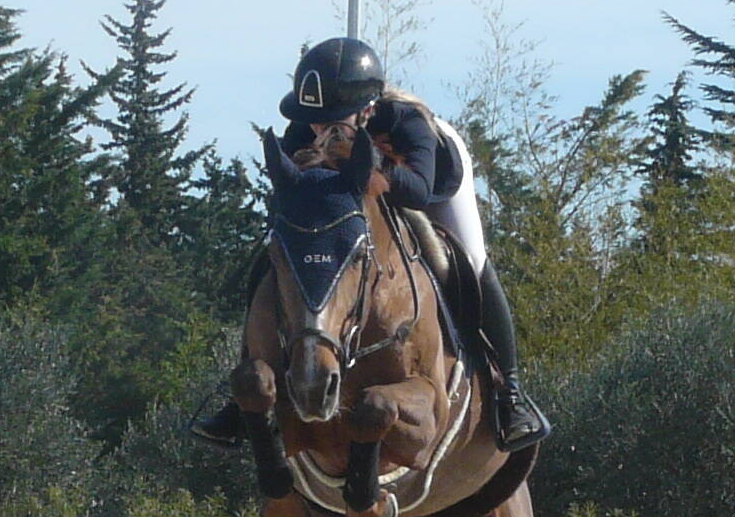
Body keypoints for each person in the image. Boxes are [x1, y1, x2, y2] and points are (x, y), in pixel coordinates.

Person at [193, 36, 549, 453]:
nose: (319, 129)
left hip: (430, 189)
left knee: (470, 260)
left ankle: (509, 395)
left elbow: (418, 189)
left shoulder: (406, 123)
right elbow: (290, 196)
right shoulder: (303, 129)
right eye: (314, 120)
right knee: (275, 252)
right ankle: (239, 404)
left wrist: (371, 167)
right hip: (351, 208)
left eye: (332, 120)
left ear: (366, 109)